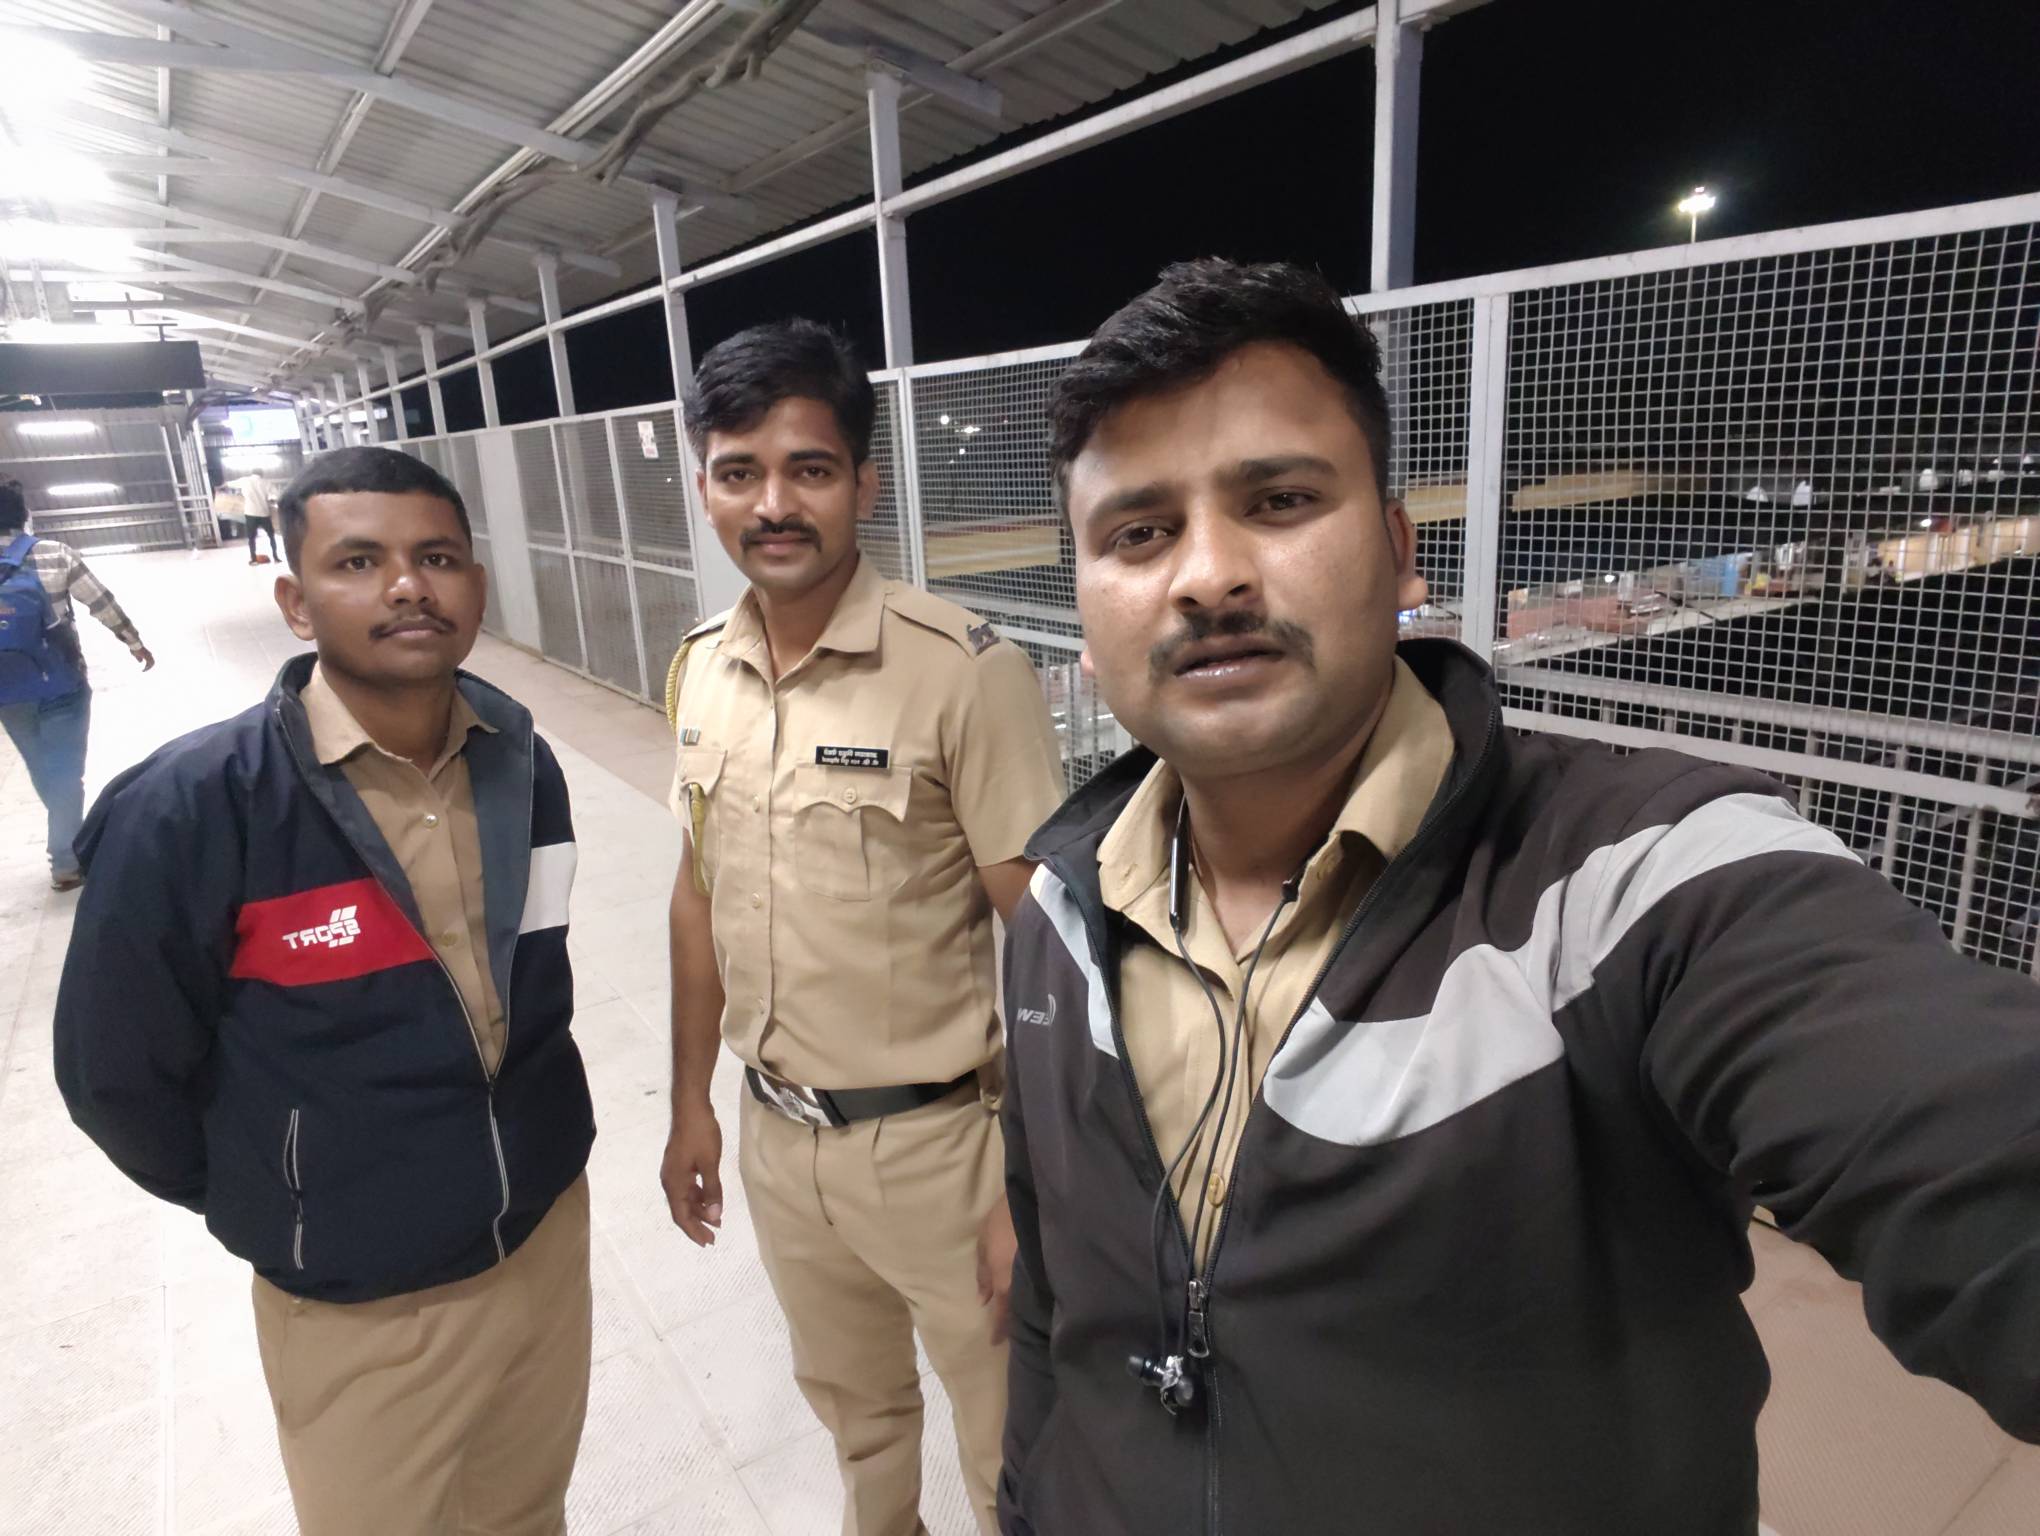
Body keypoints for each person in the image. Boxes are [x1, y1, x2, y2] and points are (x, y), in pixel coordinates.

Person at [995, 260, 2040, 1534]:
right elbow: (1055, 1311)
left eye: (1279, 500)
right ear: (1086, 605)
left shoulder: (1633, 887)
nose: (1208, 576)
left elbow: (1958, 1134)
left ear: (1398, 551)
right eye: (1138, 534)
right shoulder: (1057, 920)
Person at [54, 446, 595, 1536]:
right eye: (358, 561)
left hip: (542, 1240)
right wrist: (295, 1193)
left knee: (528, 1515)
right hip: (360, 1304)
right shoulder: (194, 808)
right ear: (297, 604)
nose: (407, 586)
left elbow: (534, 984)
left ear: (475, 586)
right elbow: (114, 1075)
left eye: (436, 557)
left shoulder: (520, 761)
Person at [660, 319, 1067, 1536]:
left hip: (943, 1151)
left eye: (809, 469)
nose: (773, 505)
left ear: (865, 484)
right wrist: (690, 1103)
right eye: (739, 472)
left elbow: (1053, 942)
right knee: (858, 1420)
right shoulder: (700, 667)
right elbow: (697, 894)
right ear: (705, 487)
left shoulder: (960, 671)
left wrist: (1033, 1183)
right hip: (778, 1138)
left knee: (1011, 1450)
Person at [0, 478, 154, 890]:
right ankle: (66, 859)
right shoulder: (52, 553)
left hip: (6, 690)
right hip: (60, 682)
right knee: (65, 771)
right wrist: (133, 641)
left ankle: (68, 835)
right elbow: (99, 600)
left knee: (43, 767)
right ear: (23, 515)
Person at [228, 469, 283, 563]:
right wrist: (271, 500)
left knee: (251, 538)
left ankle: (253, 559)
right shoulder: (266, 482)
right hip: (264, 513)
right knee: (271, 536)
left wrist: (218, 488)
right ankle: (276, 557)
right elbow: (277, 495)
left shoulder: (244, 480)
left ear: (252, 473)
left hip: (251, 513)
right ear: (262, 474)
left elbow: (228, 484)